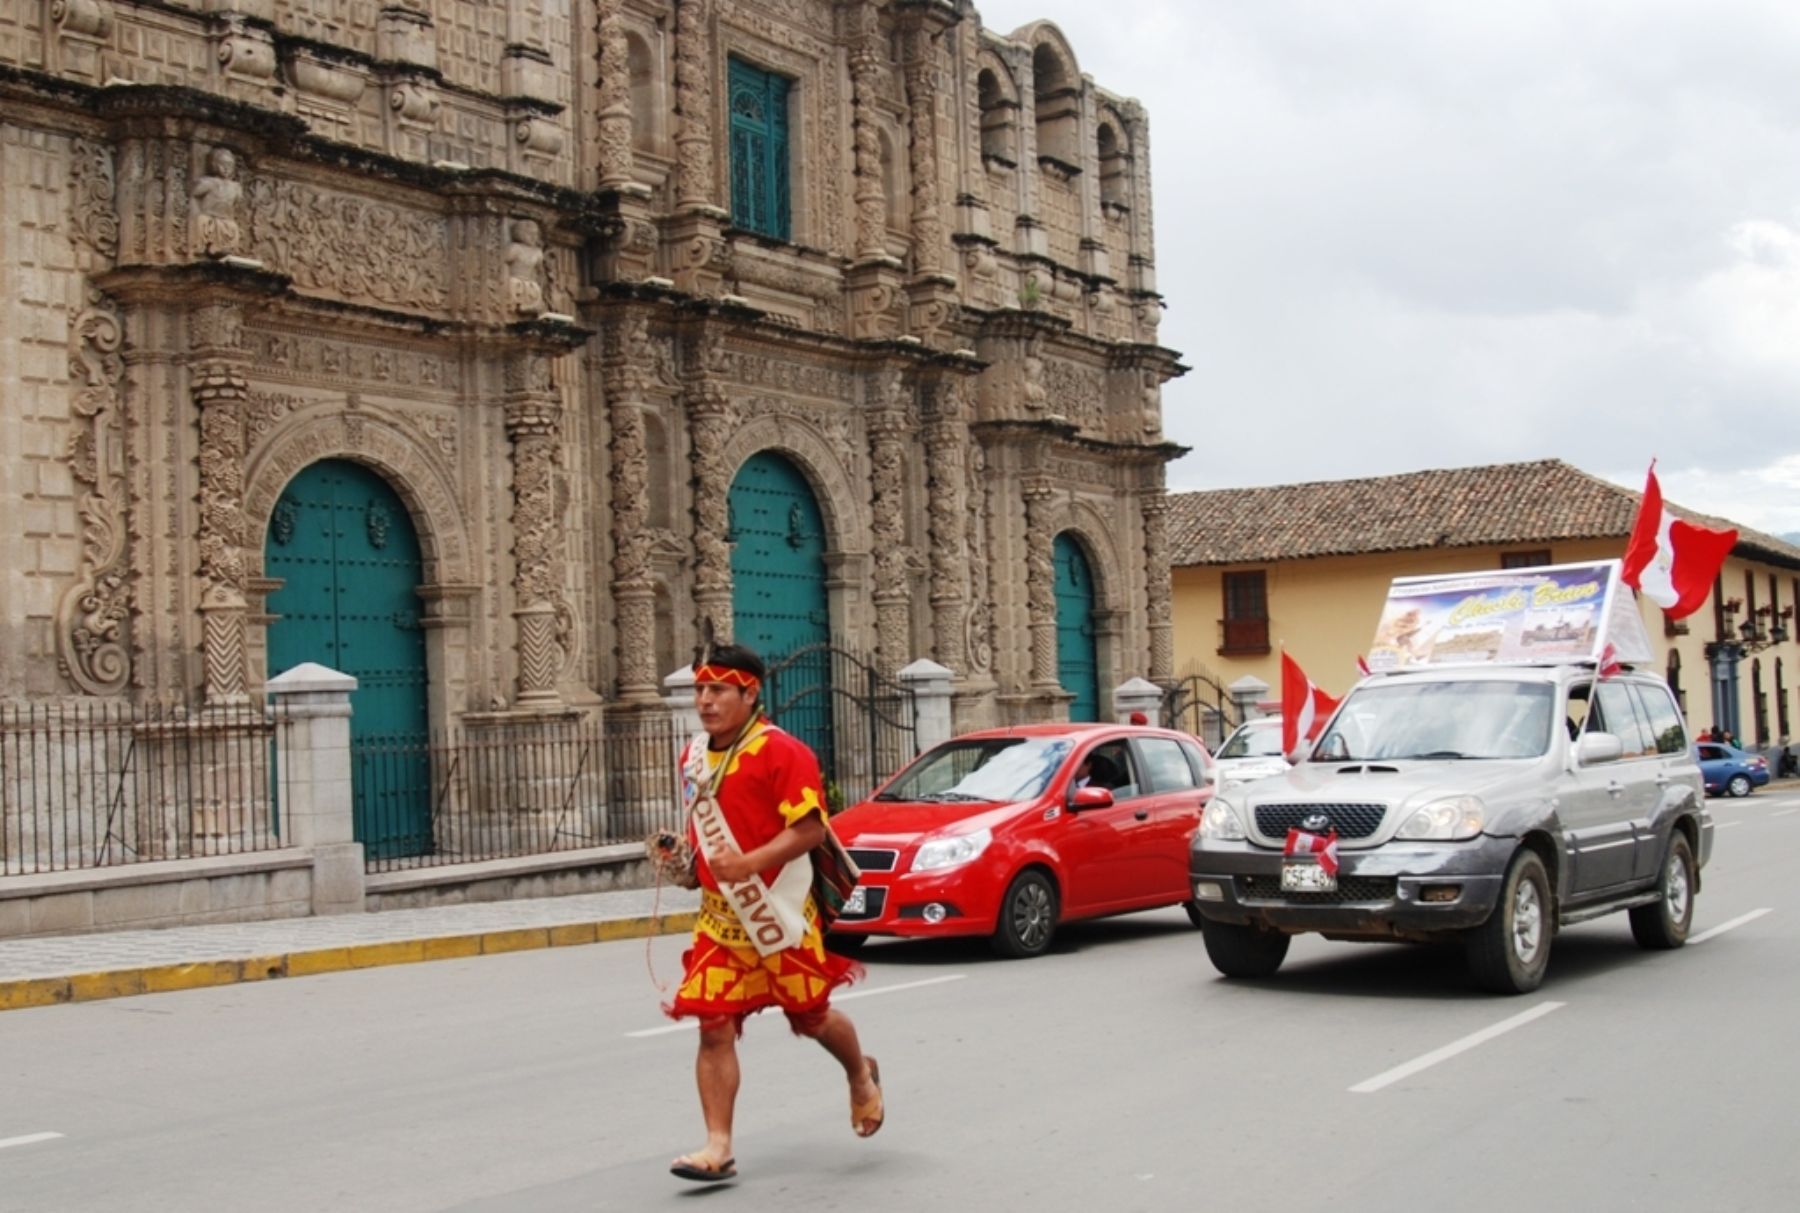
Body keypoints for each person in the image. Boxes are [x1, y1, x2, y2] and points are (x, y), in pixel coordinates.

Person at [664, 642, 882, 1184]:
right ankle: (718, 1146)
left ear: (749, 692)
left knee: (811, 1018)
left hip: (779, 917)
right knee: (713, 1026)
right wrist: (689, 862)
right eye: (699, 689)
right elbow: (710, 822)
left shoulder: (783, 752)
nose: (705, 701)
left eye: (717, 689)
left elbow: (810, 828)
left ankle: (860, 1074)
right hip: (720, 920)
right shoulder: (693, 755)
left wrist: (748, 864)